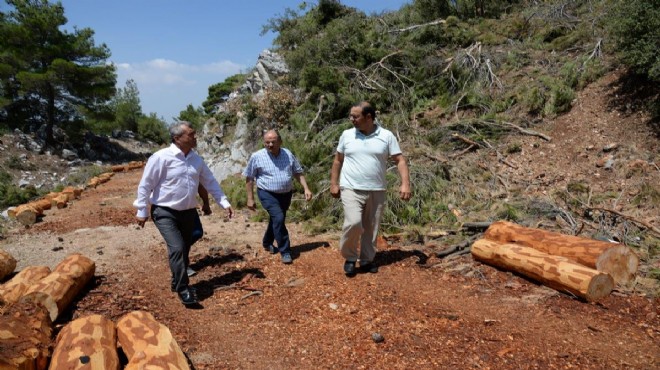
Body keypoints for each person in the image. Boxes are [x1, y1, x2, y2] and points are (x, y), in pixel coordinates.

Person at [134, 121, 233, 305]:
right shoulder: (161, 157)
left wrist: (224, 202)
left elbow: (210, 182)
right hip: (164, 211)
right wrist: (142, 210)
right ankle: (183, 289)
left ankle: (176, 280)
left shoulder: (196, 159)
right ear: (177, 138)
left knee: (184, 248)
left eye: (194, 133)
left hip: (188, 212)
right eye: (191, 134)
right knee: (177, 248)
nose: (195, 137)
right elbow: (146, 184)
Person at [330, 102, 411, 277]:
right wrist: (334, 183)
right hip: (350, 187)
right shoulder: (347, 135)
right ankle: (350, 258)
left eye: (355, 116)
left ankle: (366, 259)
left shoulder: (386, 136)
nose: (352, 119)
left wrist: (405, 183)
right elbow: (338, 160)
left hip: (377, 189)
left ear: (369, 117)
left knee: (371, 227)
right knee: (353, 223)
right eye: (351, 116)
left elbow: (400, 160)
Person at [243, 129, 312, 264]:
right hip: (267, 193)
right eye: (267, 142)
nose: (270, 145)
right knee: (279, 218)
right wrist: (250, 198)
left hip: (286, 194)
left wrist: (306, 188)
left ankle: (267, 242)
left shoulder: (288, 154)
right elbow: (249, 178)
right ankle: (285, 251)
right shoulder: (257, 156)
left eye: (273, 142)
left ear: (280, 141)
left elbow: (298, 172)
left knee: (277, 220)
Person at [187, 184, 211, 277]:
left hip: (189, 207)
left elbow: (200, 184)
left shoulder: (194, 168)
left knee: (197, 233)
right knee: (179, 241)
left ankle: (177, 252)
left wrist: (206, 203)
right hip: (169, 208)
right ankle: (182, 265)